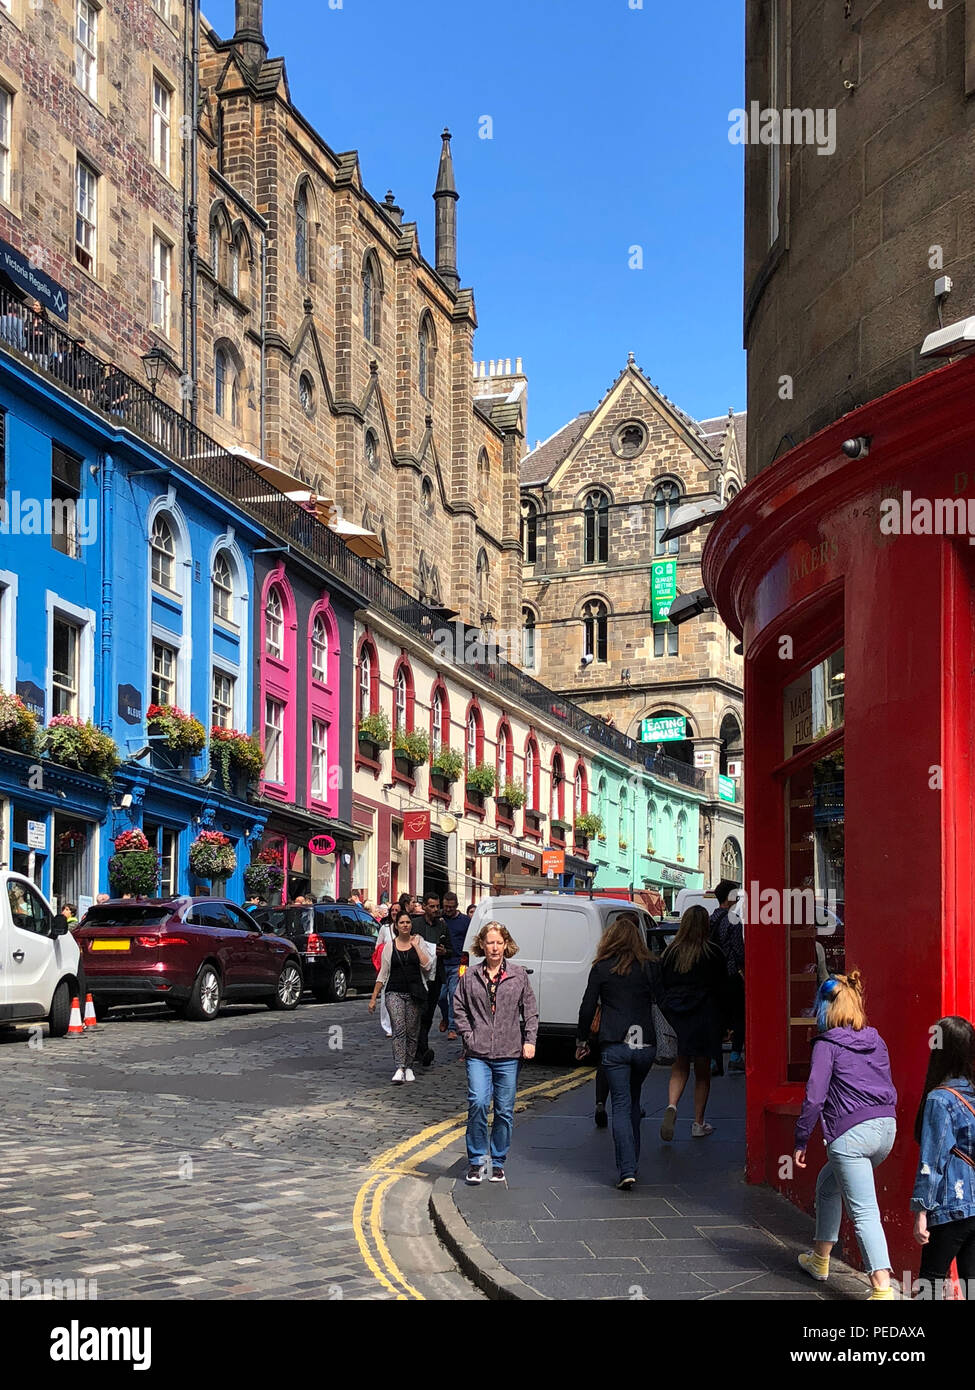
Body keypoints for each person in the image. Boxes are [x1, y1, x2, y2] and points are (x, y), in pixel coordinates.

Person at [793, 970, 898, 1299]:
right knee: (827, 1185)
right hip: (885, 1130)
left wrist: (800, 1140)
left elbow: (813, 1097)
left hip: (851, 1136)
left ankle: (882, 1289)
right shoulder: (876, 1039)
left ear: (825, 1009)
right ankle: (820, 1259)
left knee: (865, 1211)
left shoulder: (827, 1045)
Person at [576, 913, 658, 1190]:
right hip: (644, 1045)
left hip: (615, 1044)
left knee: (620, 1105)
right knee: (634, 1101)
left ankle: (626, 1169)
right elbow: (662, 1001)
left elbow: (588, 1006)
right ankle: (631, 1162)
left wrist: (582, 1040)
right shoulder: (649, 966)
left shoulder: (601, 968)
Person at [453, 921, 538, 1184]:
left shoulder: (518, 975)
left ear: (506, 945)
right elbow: (458, 1008)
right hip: (478, 1053)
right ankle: (477, 1161)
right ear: (482, 945)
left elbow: (531, 1012)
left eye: (499, 942)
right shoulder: (470, 976)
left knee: (504, 1110)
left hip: (508, 1053)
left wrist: (529, 1040)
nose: (495, 947)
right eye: (490, 942)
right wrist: (469, 1036)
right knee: (478, 1103)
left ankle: (497, 1161)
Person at [910, 1015, 975, 1298]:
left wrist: (921, 1211)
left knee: (931, 1285)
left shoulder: (940, 1099)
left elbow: (931, 1161)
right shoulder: (971, 1093)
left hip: (951, 1205)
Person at [658, 905, 727, 1140]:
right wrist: (726, 1023)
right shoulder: (713, 953)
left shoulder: (669, 953)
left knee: (679, 1065)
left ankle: (672, 1105)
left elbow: (661, 986)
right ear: (705, 925)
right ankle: (698, 1123)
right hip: (704, 1015)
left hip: (676, 1016)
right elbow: (722, 989)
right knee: (702, 1071)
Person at [368, 909, 434, 1083]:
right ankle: (399, 1067)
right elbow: (383, 973)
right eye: (402, 923)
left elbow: (427, 965)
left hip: (414, 992)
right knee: (399, 1029)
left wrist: (416, 946)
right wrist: (374, 997)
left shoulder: (418, 941)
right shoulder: (389, 946)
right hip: (394, 992)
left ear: (411, 925)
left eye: (408, 922)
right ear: (396, 926)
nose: (405, 925)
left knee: (412, 1031)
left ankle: (409, 1066)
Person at [709, 879, 744, 1074]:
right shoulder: (733, 920)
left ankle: (714, 1060)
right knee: (739, 1016)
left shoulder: (710, 919)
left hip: (713, 977)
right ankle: (735, 1056)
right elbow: (739, 952)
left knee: (716, 1018)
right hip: (731, 975)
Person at [412, 892, 446, 1065]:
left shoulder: (441, 926)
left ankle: (421, 1048)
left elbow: (451, 949)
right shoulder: (415, 924)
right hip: (418, 977)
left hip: (435, 977)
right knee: (420, 1012)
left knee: (429, 1014)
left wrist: (444, 952)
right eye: (431, 906)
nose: (435, 909)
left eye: (437, 906)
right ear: (424, 906)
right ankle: (420, 1049)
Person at [439, 892, 470, 1040]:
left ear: (456, 906)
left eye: (451, 907)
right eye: (445, 907)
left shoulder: (465, 921)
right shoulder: (439, 919)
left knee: (453, 995)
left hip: (457, 963)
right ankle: (445, 1017)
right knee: (440, 996)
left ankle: (452, 1027)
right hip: (440, 964)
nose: (448, 910)